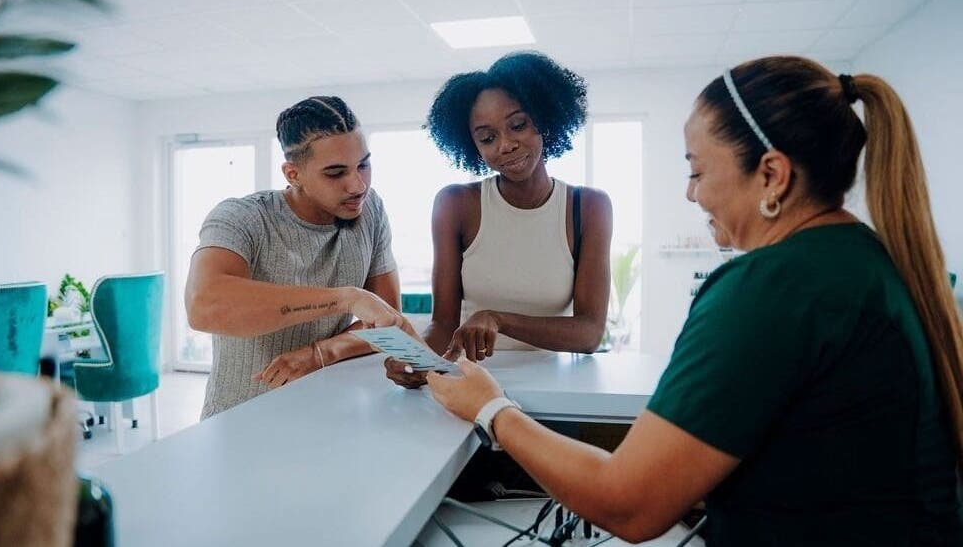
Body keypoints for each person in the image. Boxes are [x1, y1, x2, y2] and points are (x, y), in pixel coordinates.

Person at [424, 56, 963, 545]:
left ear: (772, 175)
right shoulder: (868, 259)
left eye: (697, 171)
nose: (691, 193)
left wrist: (491, 409)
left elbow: (627, 504)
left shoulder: (767, 289)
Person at [385, 51, 613, 387]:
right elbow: (444, 324)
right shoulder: (455, 205)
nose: (506, 145)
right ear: (473, 146)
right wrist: (416, 358)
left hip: (556, 387)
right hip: (473, 385)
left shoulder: (589, 207)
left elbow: (589, 333)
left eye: (518, 125)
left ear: (544, 118)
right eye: (487, 138)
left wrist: (498, 319)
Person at [186, 96, 417, 419]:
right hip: (241, 419)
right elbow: (204, 306)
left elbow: (386, 317)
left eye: (363, 165)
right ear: (293, 174)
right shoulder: (242, 217)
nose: (358, 185)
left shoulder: (370, 211)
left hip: (330, 412)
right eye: (335, 173)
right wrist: (346, 299)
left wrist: (320, 353)